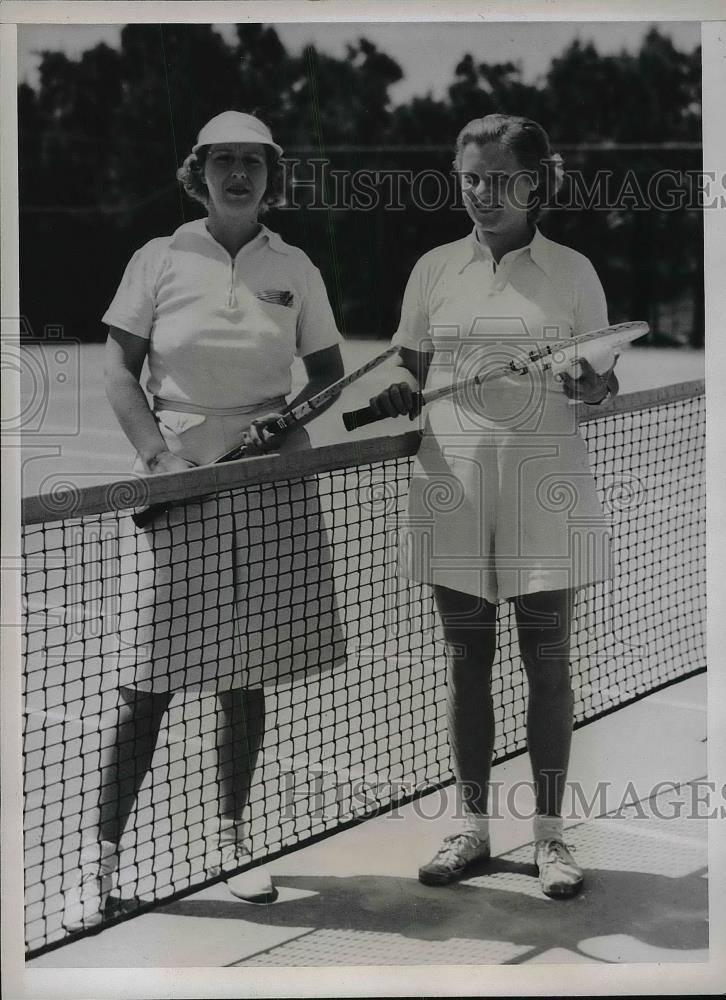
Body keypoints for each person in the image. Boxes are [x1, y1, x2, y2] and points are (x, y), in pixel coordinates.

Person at [63, 111, 345, 931]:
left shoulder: (294, 267)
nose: (237, 174)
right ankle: (98, 862)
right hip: (177, 475)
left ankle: (234, 841)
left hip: (265, 482)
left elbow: (325, 374)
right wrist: (159, 458)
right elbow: (118, 368)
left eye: (252, 163)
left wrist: (289, 423)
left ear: (270, 175)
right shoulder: (159, 258)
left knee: (242, 675)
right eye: (223, 161)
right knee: (144, 682)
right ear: (199, 171)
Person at [369, 114, 618, 899]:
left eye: (501, 178)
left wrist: (593, 386)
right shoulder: (434, 268)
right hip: (454, 484)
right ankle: (472, 829)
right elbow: (410, 367)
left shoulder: (575, 271)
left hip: (546, 485)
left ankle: (549, 838)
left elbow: (600, 378)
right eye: (470, 177)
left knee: (547, 664)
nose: (482, 193)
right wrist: (401, 390)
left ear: (536, 181)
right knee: (465, 662)